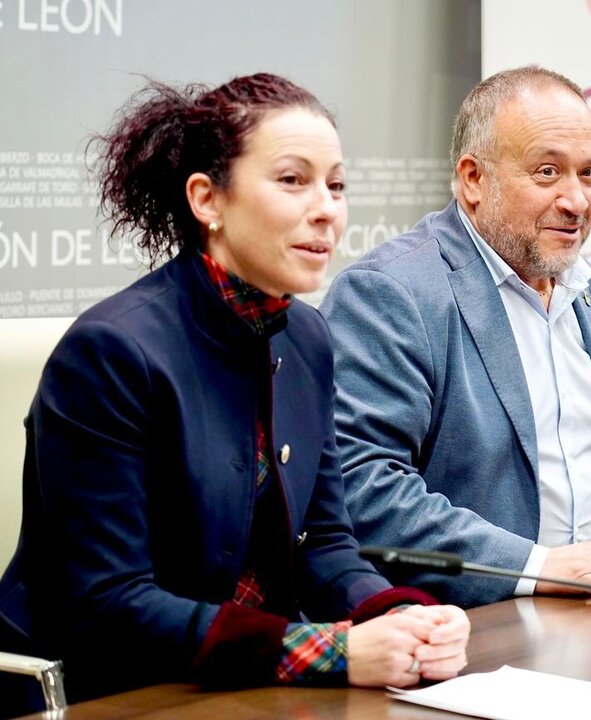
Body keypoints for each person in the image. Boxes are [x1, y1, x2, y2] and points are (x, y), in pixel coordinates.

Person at [0, 73, 468, 708]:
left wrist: (398, 617)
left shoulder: (306, 336)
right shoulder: (110, 351)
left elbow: (325, 543)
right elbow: (110, 604)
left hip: (250, 683)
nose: (327, 208)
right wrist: (332, 651)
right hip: (110, 690)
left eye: (336, 185)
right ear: (207, 200)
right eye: (292, 180)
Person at [320, 66, 591, 608]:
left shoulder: (590, 292)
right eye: (548, 173)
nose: (578, 201)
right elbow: (362, 484)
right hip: (468, 623)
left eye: (589, 174)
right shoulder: (392, 293)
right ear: (474, 179)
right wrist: (534, 566)